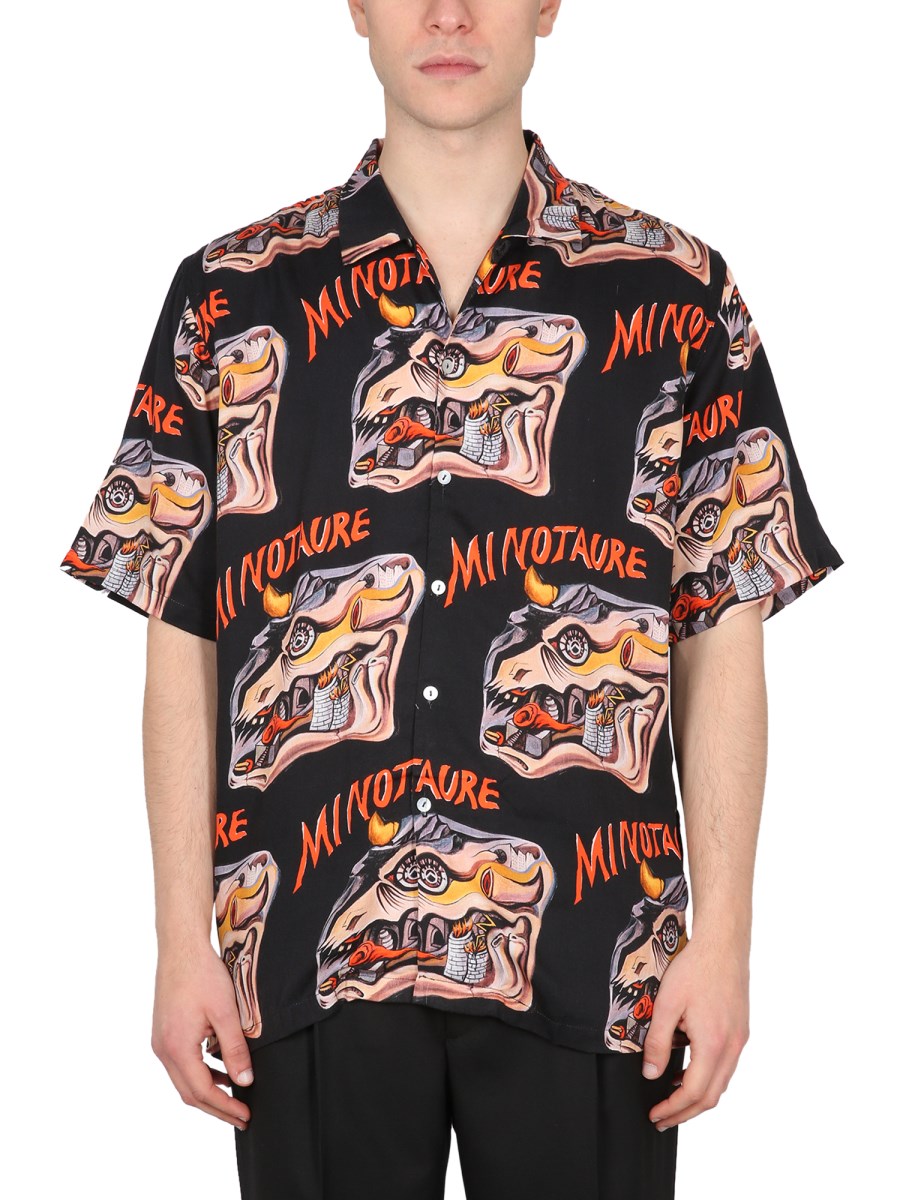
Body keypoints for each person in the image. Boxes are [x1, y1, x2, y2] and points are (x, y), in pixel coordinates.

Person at [58, 2, 844, 1197]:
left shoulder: (677, 295)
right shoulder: (232, 296)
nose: (448, 14)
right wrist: (180, 941)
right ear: (356, 7)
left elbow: (724, 629)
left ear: (549, 6)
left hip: (596, 948)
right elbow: (182, 633)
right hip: (305, 939)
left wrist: (725, 937)